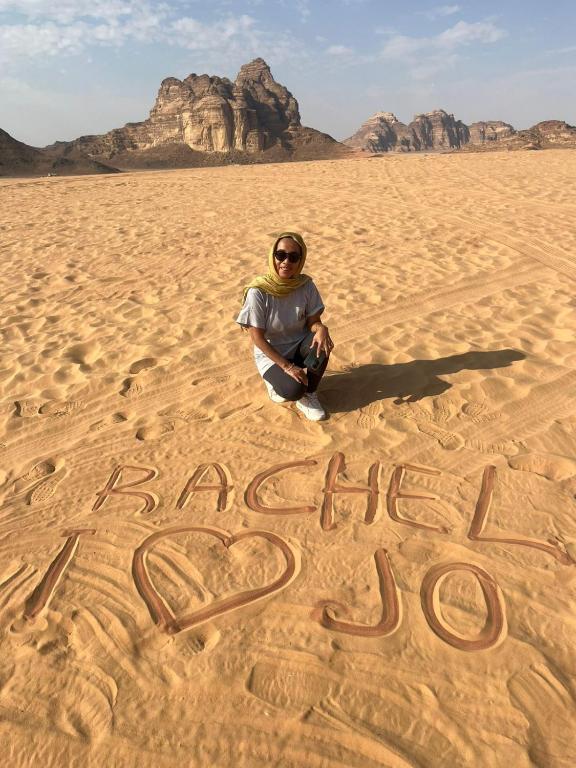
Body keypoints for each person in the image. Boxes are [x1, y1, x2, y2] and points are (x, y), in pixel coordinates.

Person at [236, 231, 334, 421]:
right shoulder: (258, 292)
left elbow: (313, 323)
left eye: (293, 257)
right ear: (272, 256)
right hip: (271, 356)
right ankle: (279, 384)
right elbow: (257, 338)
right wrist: (287, 367)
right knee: (293, 390)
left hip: (299, 347)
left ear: (300, 260)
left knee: (322, 344)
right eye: (280, 255)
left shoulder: (305, 285)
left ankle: (309, 395)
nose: (286, 262)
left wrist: (321, 329)